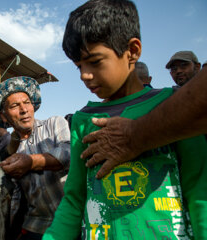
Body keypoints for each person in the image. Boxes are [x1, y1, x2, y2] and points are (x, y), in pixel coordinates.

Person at [43, 0, 207, 239]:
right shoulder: (83, 120)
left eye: (95, 61)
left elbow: (199, 188)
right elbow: (74, 199)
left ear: (132, 51)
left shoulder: (176, 108)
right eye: (78, 66)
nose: (85, 75)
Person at [0, 76, 70, 240]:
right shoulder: (11, 152)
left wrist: (31, 162)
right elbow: (16, 196)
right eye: (14, 106)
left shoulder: (54, 124)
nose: (24, 109)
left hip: (72, 222)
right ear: (4, 116)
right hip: (35, 227)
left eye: (27, 103)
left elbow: (67, 153)